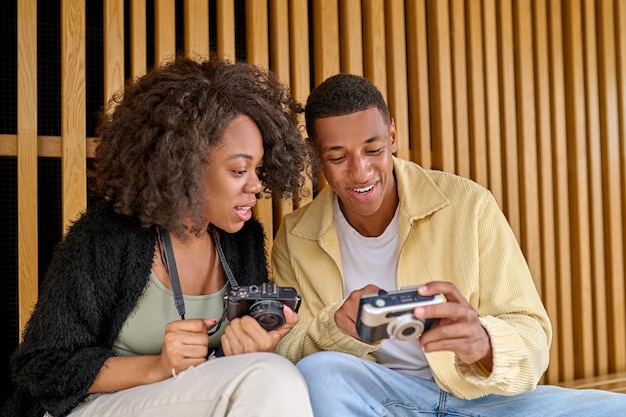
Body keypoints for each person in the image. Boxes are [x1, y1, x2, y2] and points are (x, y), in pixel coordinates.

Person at [271, 72, 626, 416]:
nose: (361, 171)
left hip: (483, 403)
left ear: (392, 135)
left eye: (373, 149)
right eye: (337, 157)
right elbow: (288, 353)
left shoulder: (470, 204)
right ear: (316, 156)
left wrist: (485, 345)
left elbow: (532, 335)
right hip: (382, 401)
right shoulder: (296, 235)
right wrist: (336, 330)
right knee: (321, 373)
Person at [2, 56, 316, 417]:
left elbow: (224, 374)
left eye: (259, 169)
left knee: (274, 372)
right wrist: (157, 366)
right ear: (186, 163)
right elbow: (42, 364)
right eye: (239, 169)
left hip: (185, 402)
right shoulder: (108, 236)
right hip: (90, 407)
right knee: (272, 378)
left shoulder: (242, 241)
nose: (256, 185)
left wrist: (254, 346)